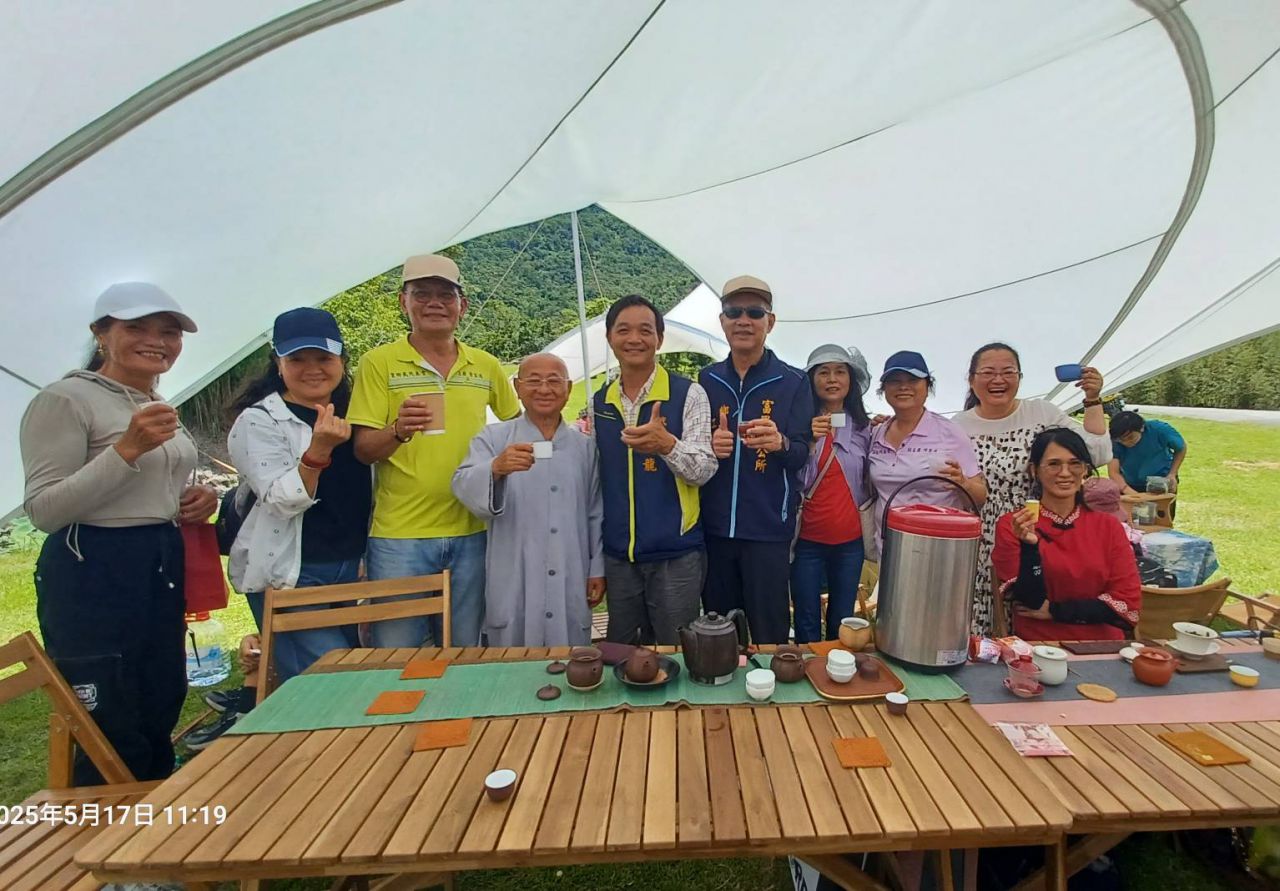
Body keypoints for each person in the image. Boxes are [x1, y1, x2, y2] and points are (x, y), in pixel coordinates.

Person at [20, 282, 216, 785]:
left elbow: (149, 490)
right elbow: (44, 510)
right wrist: (125, 449)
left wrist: (192, 502)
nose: (157, 340)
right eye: (137, 328)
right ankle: (101, 844)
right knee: (109, 714)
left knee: (161, 696)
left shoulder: (153, 399)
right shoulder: (65, 399)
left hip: (157, 558)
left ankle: (149, 832)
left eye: (169, 332)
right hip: (93, 566)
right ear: (100, 334)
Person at [348, 254, 519, 647]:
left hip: (473, 530)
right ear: (402, 302)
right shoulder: (380, 363)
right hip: (400, 537)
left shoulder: (486, 365)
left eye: (446, 294)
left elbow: (517, 426)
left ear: (463, 305)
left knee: (464, 648)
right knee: (397, 652)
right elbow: (363, 450)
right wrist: (398, 430)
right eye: (421, 294)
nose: (435, 303)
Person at [224, 308, 370, 678]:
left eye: (323, 358)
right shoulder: (259, 420)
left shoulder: (358, 414)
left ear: (341, 359)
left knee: (353, 669)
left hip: (353, 566)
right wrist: (318, 451)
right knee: (331, 679)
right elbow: (280, 499)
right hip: (292, 571)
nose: (313, 368)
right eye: (297, 359)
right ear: (278, 364)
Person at [953, 342, 1111, 633]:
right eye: (988, 372)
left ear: (1020, 377)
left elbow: (1096, 453)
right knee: (975, 621)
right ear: (971, 379)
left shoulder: (1041, 413)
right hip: (974, 536)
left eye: (1008, 372)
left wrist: (1092, 399)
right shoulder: (958, 425)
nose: (998, 380)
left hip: (1032, 532)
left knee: (1030, 615)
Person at [452, 354, 604, 646]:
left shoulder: (585, 448)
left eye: (553, 381)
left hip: (570, 570)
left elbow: (595, 511)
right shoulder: (493, 438)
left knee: (569, 655)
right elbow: (461, 484)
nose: (544, 389)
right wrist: (495, 468)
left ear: (569, 389)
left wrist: (597, 568)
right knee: (510, 657)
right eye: (533, 381)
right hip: (513, 571)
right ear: (517, 387)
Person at [594, 295, 717, 645]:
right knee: (625, 652)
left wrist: (667, 445)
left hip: (675, 554)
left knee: (678, 650)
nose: (635, 339)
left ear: (659, 339)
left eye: (645, 330)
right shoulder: (601, 401)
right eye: (624, 330)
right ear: (609, 337)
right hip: (620, 555)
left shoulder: (688, 393)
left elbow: (705, 469)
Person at [699, 276, 814, 644]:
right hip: (715, 528)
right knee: (718, 628)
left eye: (754, 312)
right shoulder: (707, 379)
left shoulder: (794, 381)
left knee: (769, 632)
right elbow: (692, 448)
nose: (743, 320)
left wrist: (779, 442)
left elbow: (800, 455)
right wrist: (709, 443)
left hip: (768, 529)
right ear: (722, 321)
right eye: (734, 312)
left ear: (770, 322)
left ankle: (773, 699)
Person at [993, 427, 1141, 641]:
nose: (1064, 473)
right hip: (1040, 646)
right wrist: (1030, 547)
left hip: (1104, 646)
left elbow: (1128, 604)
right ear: (1035, 471)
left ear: (1085, 470)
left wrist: (1055, 610)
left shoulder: (1109, 527)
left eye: (1074, 464)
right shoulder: (1014, 525)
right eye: (1054, 464)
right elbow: (1029, 600)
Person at [791, 344, 874, 643]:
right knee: (806, 616)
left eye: (840, 371)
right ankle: (807, 679)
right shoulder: (797, 424)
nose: (832, 379)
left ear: (851, 380)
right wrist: (807, 440)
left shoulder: (866, 428)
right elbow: (791, 474)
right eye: (823, 372)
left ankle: (839, 674)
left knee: (842, 618)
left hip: (850, 542)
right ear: (812, 379)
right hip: (807, 541)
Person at [868, 351, 986, 548]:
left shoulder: (949, 432)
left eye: (913, 380)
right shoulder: (876, 434)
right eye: (894, 381)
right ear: (884, 389)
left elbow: (980, 497)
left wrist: (964, 483)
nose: (903, 386)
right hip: (889, 548)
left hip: (939, 549)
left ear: (927, 386)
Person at [1108, 410, 1187, 499]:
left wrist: (1172, 473)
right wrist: (1134, 495)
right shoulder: (1115, 441)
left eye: (1131, 437)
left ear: (1142, 428)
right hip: (1129, 485)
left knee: (1161, 511)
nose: (1126, 442)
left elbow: (1181, 448)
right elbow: (1114, 472)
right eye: (1121, 440)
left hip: (1161, 481)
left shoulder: (1159, 430)